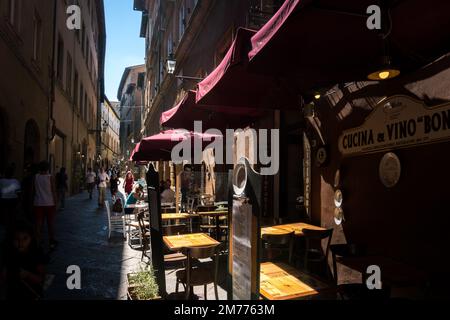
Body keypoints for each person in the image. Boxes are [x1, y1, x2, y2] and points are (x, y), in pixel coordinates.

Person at [0, 221, 47, 300]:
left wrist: (27, 274)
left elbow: (41, 279)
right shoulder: (8, 252)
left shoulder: (36, 253)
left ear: (31, 238)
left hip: (32, 294)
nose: (21, 243)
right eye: (16, 239)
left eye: (25, 238)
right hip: (13, 294)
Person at [33, 161, 57, 250]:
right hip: (49, 203)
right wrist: (56, 202)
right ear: (48, 168)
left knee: (38, 223)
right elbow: (53, 191)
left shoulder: (35, 177)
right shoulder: (50, 177)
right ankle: (51, 240)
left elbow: (33, 190)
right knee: (50, 223)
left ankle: (38, 241)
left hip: (38, 203)